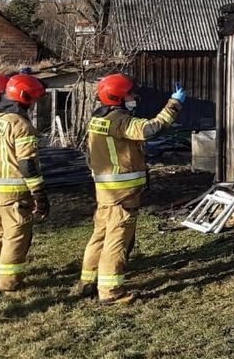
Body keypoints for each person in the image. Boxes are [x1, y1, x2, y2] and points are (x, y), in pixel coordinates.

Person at [73, 73, 184, 303]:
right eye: (130, 94)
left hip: (106, 192)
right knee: (117, 241)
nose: (134, 97)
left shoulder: (97, 119)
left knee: (100, 236)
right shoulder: (120, 121)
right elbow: (152, 128)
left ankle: (88, 282)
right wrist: (174, 103)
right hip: (122, 195)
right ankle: (111, 292)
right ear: (118, 98)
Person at [0, 73, 48, 296]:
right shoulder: (21, 125)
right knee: (15, 238)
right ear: (25, 98)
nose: (34, 104)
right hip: (13, 196)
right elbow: (27, 165)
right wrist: (40, 195)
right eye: (33, 100)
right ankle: (9, 284)